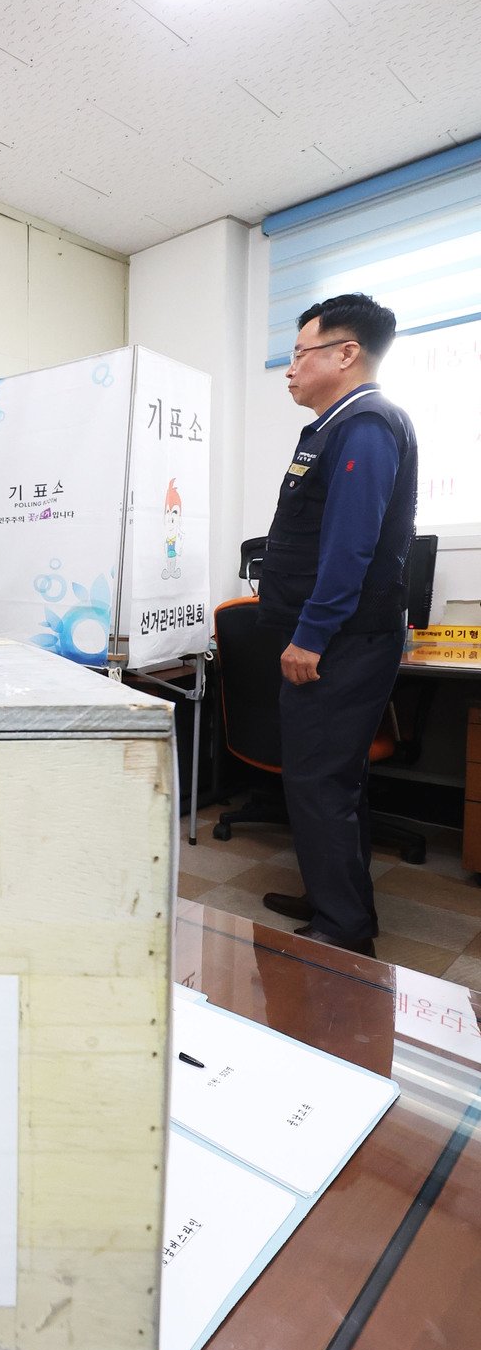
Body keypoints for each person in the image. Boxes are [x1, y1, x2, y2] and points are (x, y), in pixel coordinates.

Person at [258, 294, 418, 956]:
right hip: (334, 638)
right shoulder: (336, 426)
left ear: (345, 353)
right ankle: (335, 898)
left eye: (299, 353)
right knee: (326, 778)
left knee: (322, 780)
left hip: (341, 642)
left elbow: (350, 546)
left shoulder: (366, 425)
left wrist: (312, 635)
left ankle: (343, 932)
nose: (289, 369)